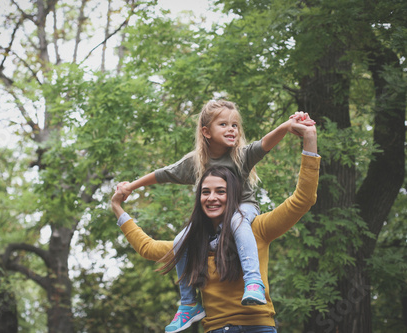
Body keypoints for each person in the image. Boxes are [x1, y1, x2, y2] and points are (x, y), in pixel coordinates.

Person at [117, 100, 315, 332]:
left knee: (236, 222)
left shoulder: (241, 158)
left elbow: (266, 146)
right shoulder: (196, 162)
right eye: (223, 124)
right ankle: (189, 303)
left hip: (245, 211)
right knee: (182, 239)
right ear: (206, 131)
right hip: (217, 327)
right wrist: (127, 192)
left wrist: (288, 127)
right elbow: (163, 175)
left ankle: (254, 283)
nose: (232, 129)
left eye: (235, 125)